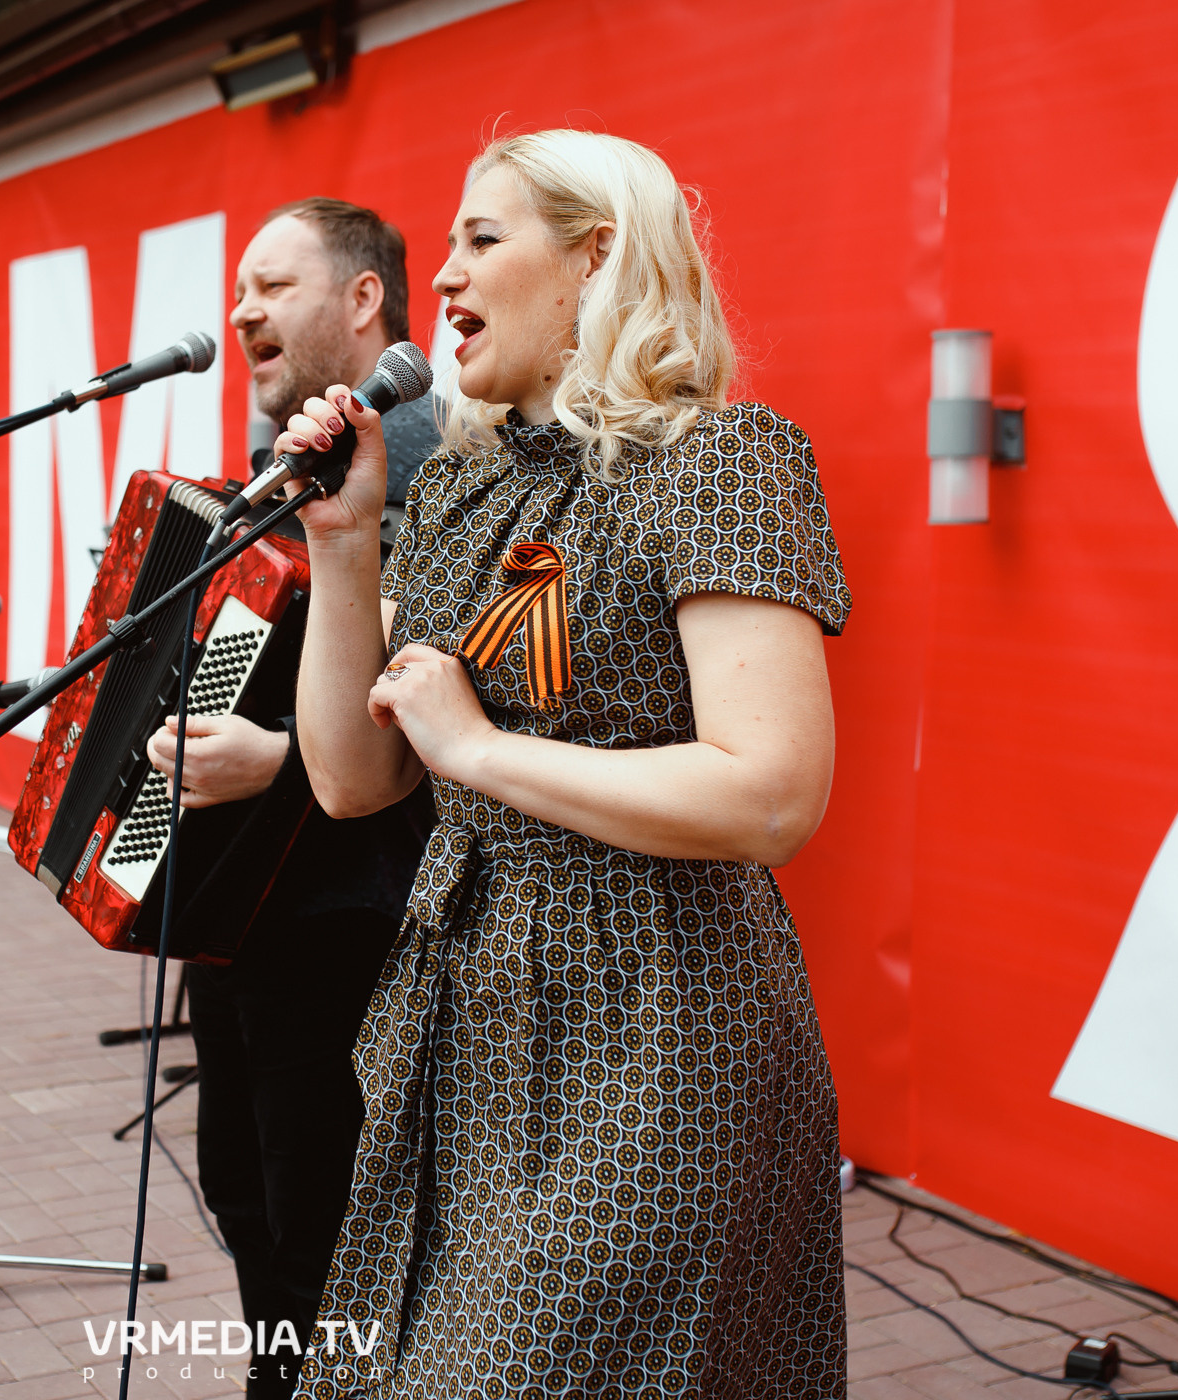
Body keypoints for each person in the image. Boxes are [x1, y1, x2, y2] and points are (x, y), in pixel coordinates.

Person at [284, 131, 852, 1397]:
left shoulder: (715, 460)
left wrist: (483, 752)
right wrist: (345, 540)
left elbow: (772, 793)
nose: (442, 276)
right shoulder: (455, 494)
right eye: (445, 245)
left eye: (483, 240)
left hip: (657, 1020)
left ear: (598, 257)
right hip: (470, 1016)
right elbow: (352, 780)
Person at [140, 197, 438, 1400]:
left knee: (332, 1252)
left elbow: (469, 729)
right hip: (245, 923)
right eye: (237, 291)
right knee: (255, 1208)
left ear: (363, 299)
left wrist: (277, 760)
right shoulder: (281, 476)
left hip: (350, 928)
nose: (242, 309)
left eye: (272, 285)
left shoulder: (429, 464)